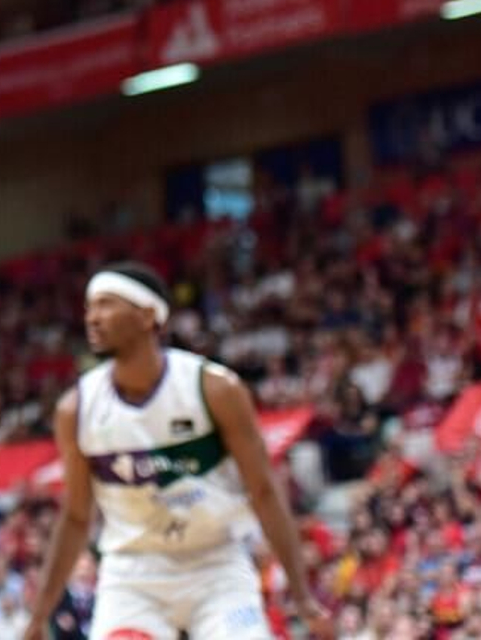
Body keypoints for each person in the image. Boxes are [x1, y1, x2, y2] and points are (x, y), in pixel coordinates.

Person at [23, 263, 333, 640]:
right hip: (133, 576)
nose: (92, 318)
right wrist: (39, 615)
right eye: (89, 308)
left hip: (216, 563)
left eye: (106, 304)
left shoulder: (215, 390)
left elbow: (265, 490)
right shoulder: (76, 409)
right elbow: (75, 517)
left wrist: (301, 594)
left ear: (148, 316)